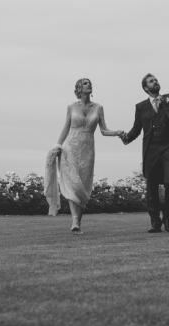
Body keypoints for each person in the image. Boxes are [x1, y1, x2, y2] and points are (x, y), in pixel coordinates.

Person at [121, 62, 169, 233]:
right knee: (151, 187)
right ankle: (155, 223)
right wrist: (125, 137)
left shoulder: (168, 99)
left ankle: (167, 216)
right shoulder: (141, 107)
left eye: (156, 80)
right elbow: (136, 129)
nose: (155, 82)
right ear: (146, 88)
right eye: (151, 81)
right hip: (151, 150)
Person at [44, 78, 125, 233]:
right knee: (73, 184)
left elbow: (103, 130)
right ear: (79, 89)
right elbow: (65, 128)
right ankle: (75, 221)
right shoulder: (71, 107)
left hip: (88, 150)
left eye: (90, 83)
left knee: (83, 187)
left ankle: (77, 223)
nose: (89, 84)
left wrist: (117, 132)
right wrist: (57, 147)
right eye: (86, 83)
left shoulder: (99, 107)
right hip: (71, 149)